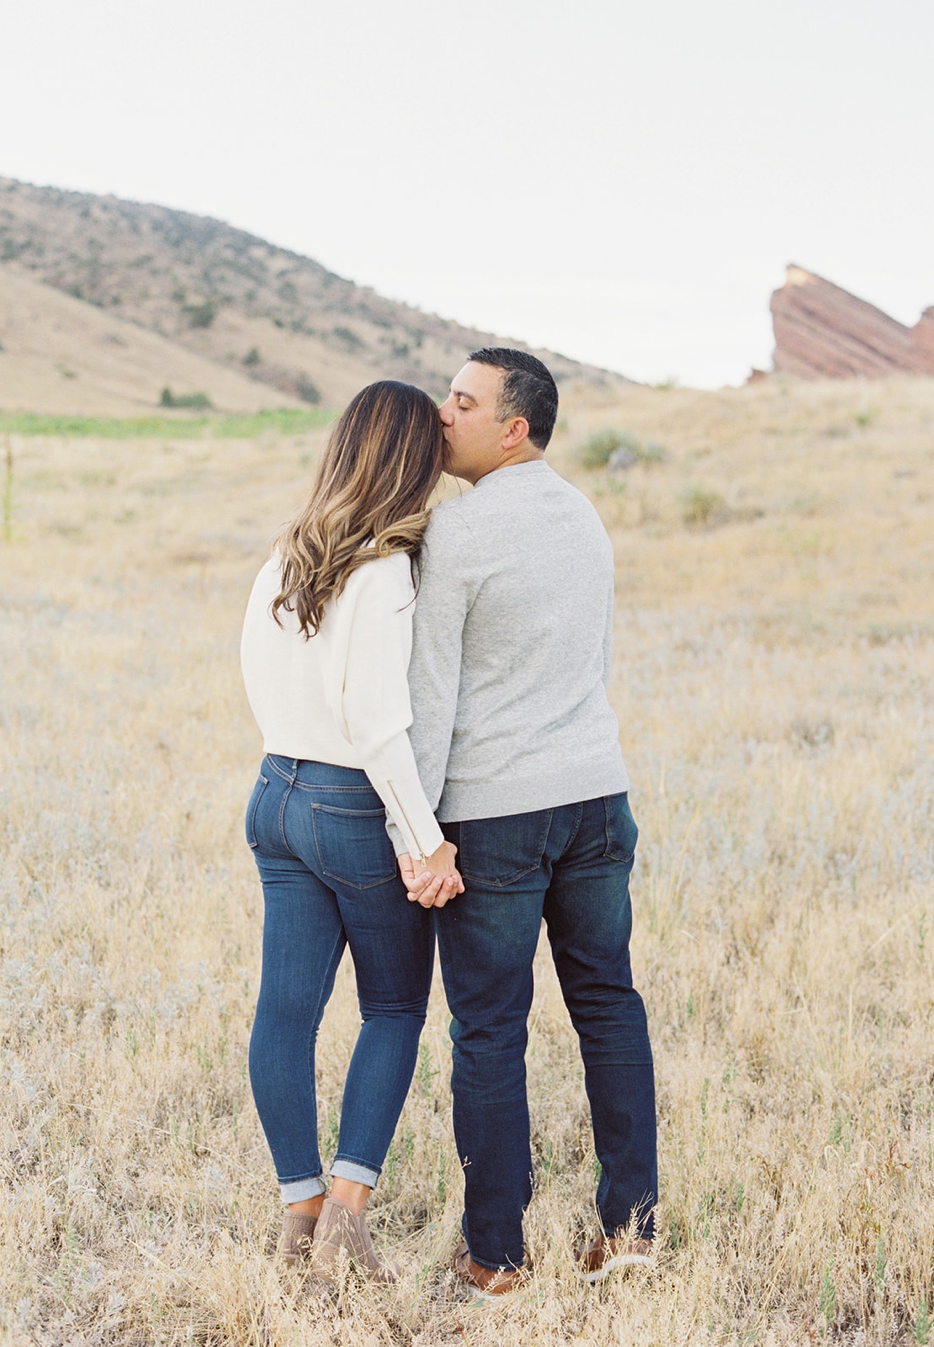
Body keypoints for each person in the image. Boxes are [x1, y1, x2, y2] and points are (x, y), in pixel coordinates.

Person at [397, 348, 658, 1296]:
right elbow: (595, 657)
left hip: (498, 810)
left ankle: (497, 1254)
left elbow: (430, 697)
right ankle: (632, 1230)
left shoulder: (459, 533)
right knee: (608, 1004)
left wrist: (415, 831)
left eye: (462, 402)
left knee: (490, 1030)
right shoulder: (584, 514)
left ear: (515, 428)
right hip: (597, 793)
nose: (442, 413)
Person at [240, 380, 462, 1284]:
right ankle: (344, 1219)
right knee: (395, 1007)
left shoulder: (285, 557)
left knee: (283, 1017)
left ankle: (298, 1209)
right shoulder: (388, 570)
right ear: (413, 461)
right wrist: (425, 839)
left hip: (273, 792)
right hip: (348, 803)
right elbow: (377, 723)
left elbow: (261, 682)